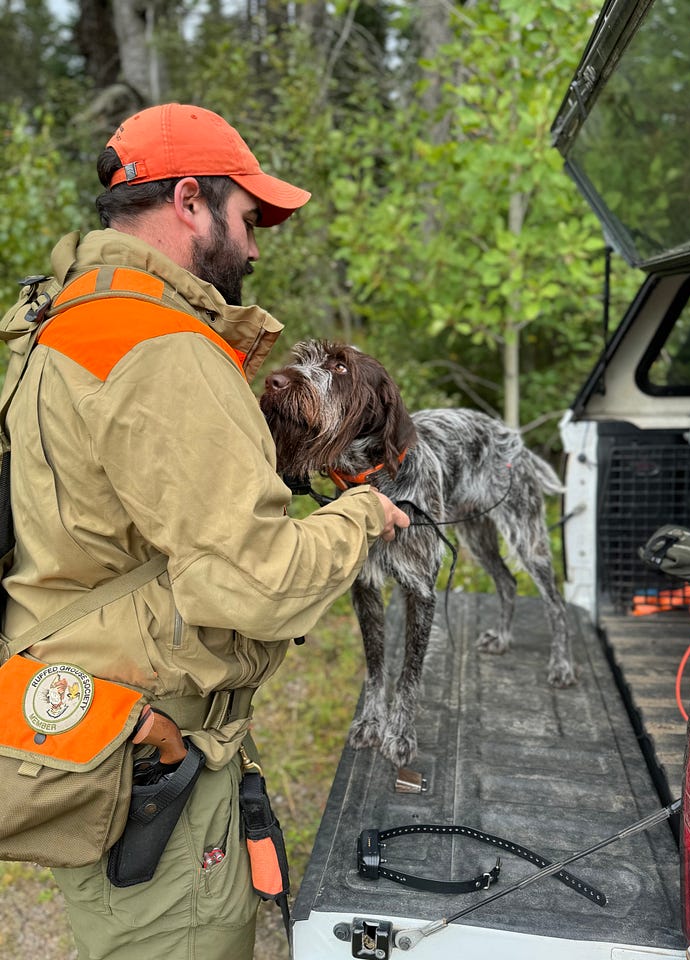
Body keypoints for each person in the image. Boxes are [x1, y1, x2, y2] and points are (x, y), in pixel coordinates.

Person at [0, 102, 409, 960]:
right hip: (145, 743)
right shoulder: (163, 348)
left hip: (87, 715)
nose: (256, 245)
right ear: (190, 201)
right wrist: (361, 515)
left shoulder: (61, 317)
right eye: (249, 216)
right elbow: (254, 580)